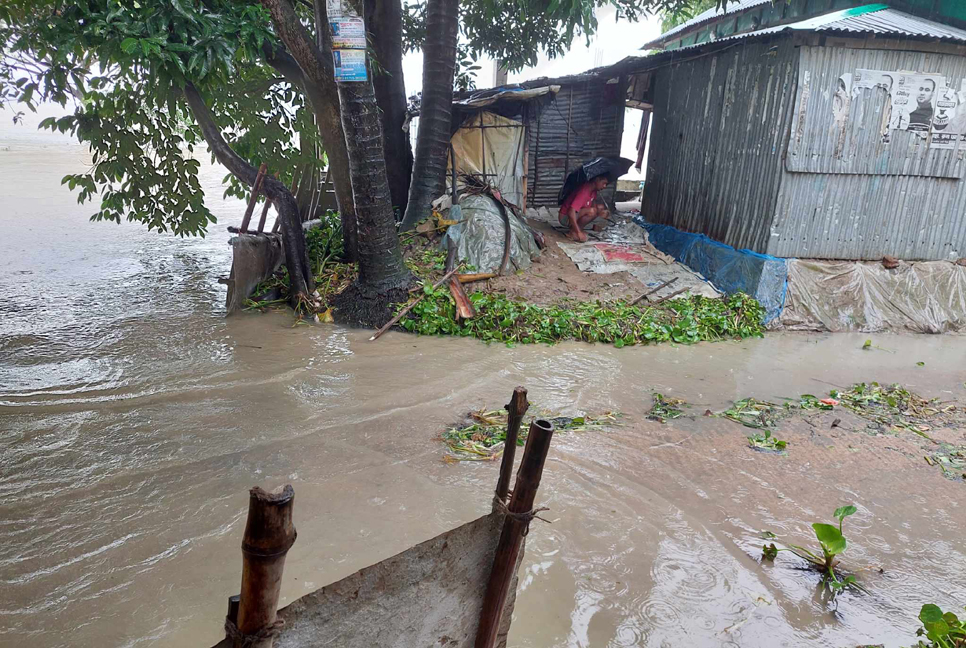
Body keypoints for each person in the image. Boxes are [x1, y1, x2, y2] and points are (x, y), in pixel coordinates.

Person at [558, 175, 610, 242]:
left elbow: (593, 206)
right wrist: (578, 233)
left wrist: (600, 212)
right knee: (592, 211)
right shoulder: (584, 191)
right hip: (565, 217)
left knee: (598, 209)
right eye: (603, 183)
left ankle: (577, 230)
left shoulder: (594, 191)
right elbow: (571, 212)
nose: (604, 186)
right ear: (597, 180)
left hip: (576, 213)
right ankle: (574, 232)